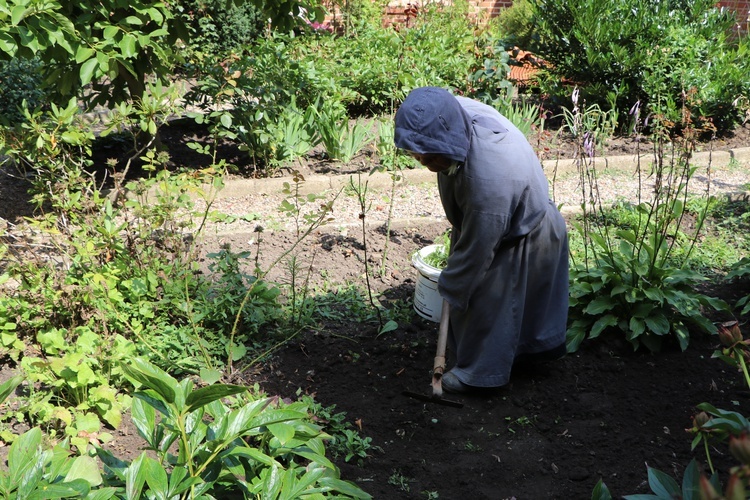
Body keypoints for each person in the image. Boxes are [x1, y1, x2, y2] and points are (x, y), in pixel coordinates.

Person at [394, 86, 569, 394]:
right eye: (414, 151)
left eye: (426, 154)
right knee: (503, 303)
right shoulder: (450, 114)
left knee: (487, 301)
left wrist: (450, 285)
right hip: (506, 213)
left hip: (528, 232)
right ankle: (513, 356)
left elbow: (477, 252)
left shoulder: (488, 181)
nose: (419, 158)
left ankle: (478, 375)